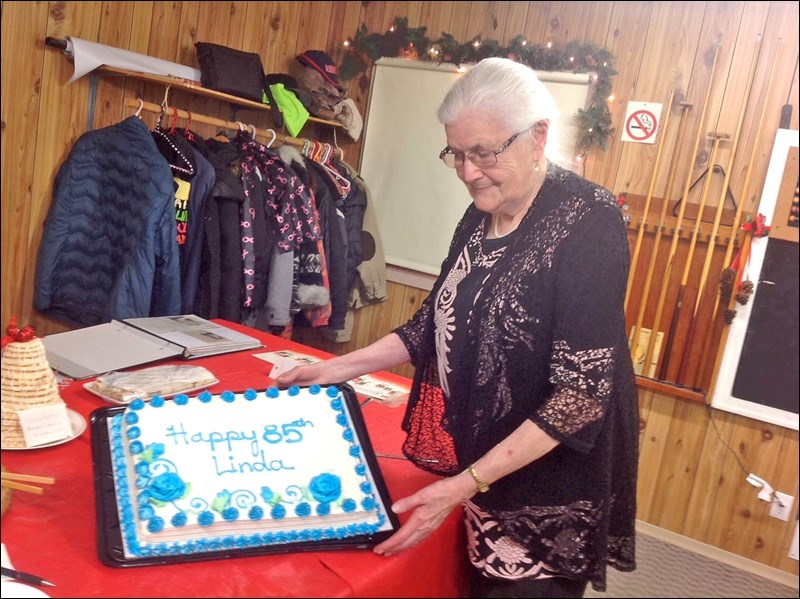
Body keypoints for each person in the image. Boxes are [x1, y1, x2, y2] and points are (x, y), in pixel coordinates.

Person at [276, 56, 639, 598]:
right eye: (458, 154)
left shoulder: (589, 219)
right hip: (485, 460)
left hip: (546, 483)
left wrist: (463, 485)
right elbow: (433, 323)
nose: (469, 172)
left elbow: (582, 396)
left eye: (486, 153)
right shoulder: (481, 213)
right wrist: (335, 369)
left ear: (538, 136)